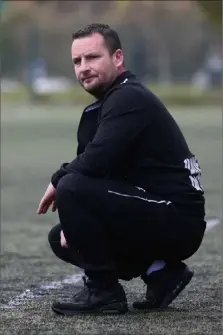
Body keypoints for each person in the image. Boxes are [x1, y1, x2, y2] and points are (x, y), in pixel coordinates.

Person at [37, 23, 206, 316]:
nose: (83, 68)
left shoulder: (129, 97)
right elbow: (97, 171)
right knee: (61, 236)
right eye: (77, 61)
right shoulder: (104, 106)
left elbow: (94, 163)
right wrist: (75, 223)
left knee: (71, 186)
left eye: (92, 58)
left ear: (117, 58)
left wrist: (58, 179)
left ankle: (104, 293)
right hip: (152, 211)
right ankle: (161, 274)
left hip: (177, 218)